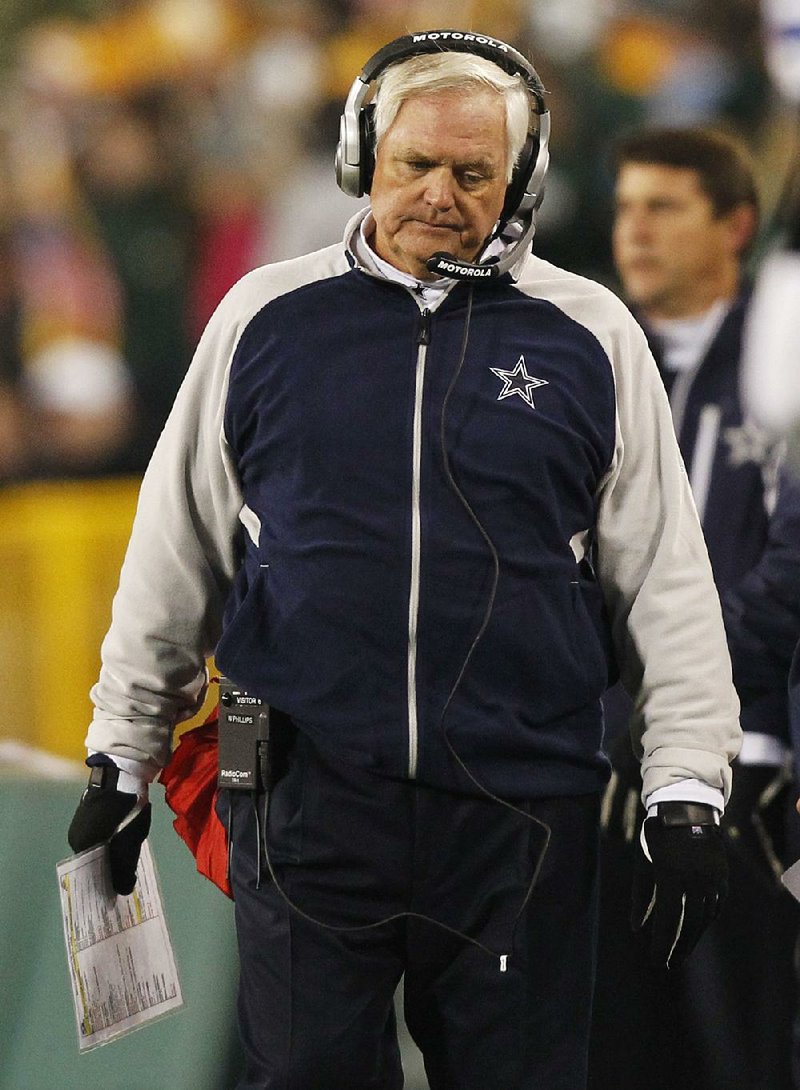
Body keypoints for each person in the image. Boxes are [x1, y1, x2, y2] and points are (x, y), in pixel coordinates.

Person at [66, 32, 741, 1090]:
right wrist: (122, 749)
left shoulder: (589, 333)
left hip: (518, 812)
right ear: (358, 158)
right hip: (302, 797)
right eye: (412, 164)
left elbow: (662, 573)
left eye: (472, 173)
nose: (438, 193)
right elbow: (175, 550)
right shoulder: (262, 317)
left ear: (521, 179)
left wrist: (686, 783)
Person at [590, 126, 800, 1090]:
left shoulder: (783, 362)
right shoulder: (585, 365)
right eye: (626, 206)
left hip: (752, 769)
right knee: (618, 1049)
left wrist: (692, 696)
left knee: (740, 1048)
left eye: (664, 207)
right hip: (606, 776)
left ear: (736, 227)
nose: (635, 229)